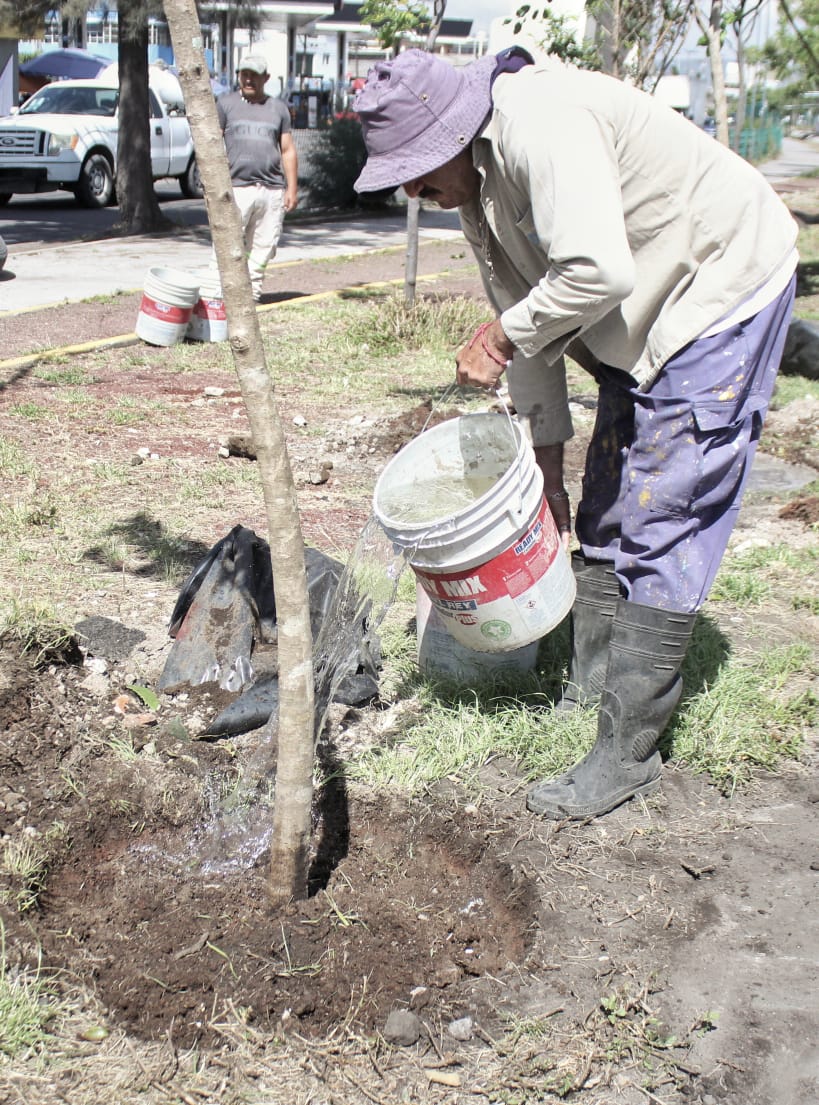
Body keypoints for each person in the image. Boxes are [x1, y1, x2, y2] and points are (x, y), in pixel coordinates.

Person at [353, 49, 798, 820]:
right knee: (602, 504)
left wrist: (497, 335)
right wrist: (545, 471)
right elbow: (530, 341)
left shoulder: (540, 123)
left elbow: (592, 273)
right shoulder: (475, 188)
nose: (411, 191)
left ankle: (626, 753)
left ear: (456, 133)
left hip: (714, 288)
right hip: (637, 319)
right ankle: (586, 689)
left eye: (419, 172)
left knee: (661, 512)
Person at [216, 53, 298, 301]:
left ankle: (250, 297)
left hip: (272, 190)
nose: (248, 79)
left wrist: (291, 188)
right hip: (236, 188)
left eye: (254, 75)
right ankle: (222, 297)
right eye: (244, 74)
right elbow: (213, 145)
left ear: (266, 78)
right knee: (228, 245)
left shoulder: (278, 109)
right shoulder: (225, 104)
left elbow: (287, 150)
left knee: (264, 247)